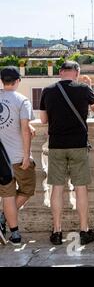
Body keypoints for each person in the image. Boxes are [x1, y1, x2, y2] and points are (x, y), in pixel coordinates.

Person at [40, 61, 94, 246]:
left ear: (60, 72)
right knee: (80, 188)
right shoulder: (84, 89)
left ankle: (57, 232)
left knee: (56, 188)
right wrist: (89, 88)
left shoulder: (48, 90)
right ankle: (84, 231)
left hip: (56, 145)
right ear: (77, 72)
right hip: (78, 144)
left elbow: (43, 120)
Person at [0, 66, 36, 246]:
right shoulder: (22, 100)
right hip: (16, 156)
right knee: (28, 188)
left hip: (1, 159)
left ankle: (14, 233)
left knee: (7, 195)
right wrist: (27, 155)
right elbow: (24, 129)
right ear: (17, 81)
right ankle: (4, 218)